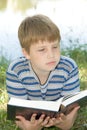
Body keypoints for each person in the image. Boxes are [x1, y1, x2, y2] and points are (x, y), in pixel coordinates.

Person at [6, 14, 80, 130]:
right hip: (32, 119)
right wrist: (27, 127)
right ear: (26, 53)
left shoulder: (69, 67)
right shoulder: (16, 71)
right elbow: (18, 112)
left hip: (59, 115)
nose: (51, 55)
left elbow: (71, 110)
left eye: (55, 47)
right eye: (42, 49)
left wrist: (66, 123)